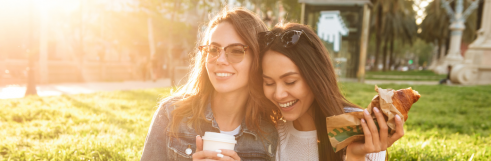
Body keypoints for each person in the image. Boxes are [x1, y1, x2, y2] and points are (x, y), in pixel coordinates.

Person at [141, 8, 278, 161]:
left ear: (257, 59)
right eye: (213, 49)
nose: (220, 60)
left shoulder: (272, 132)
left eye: (236, 51)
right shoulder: (171, 114)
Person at [258, 23, 405, 161]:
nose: (278, 94)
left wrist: (355, 156)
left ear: (316, 77)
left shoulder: (363, 129)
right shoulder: (274, 134)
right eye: (269, 83)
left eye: (290, 81)